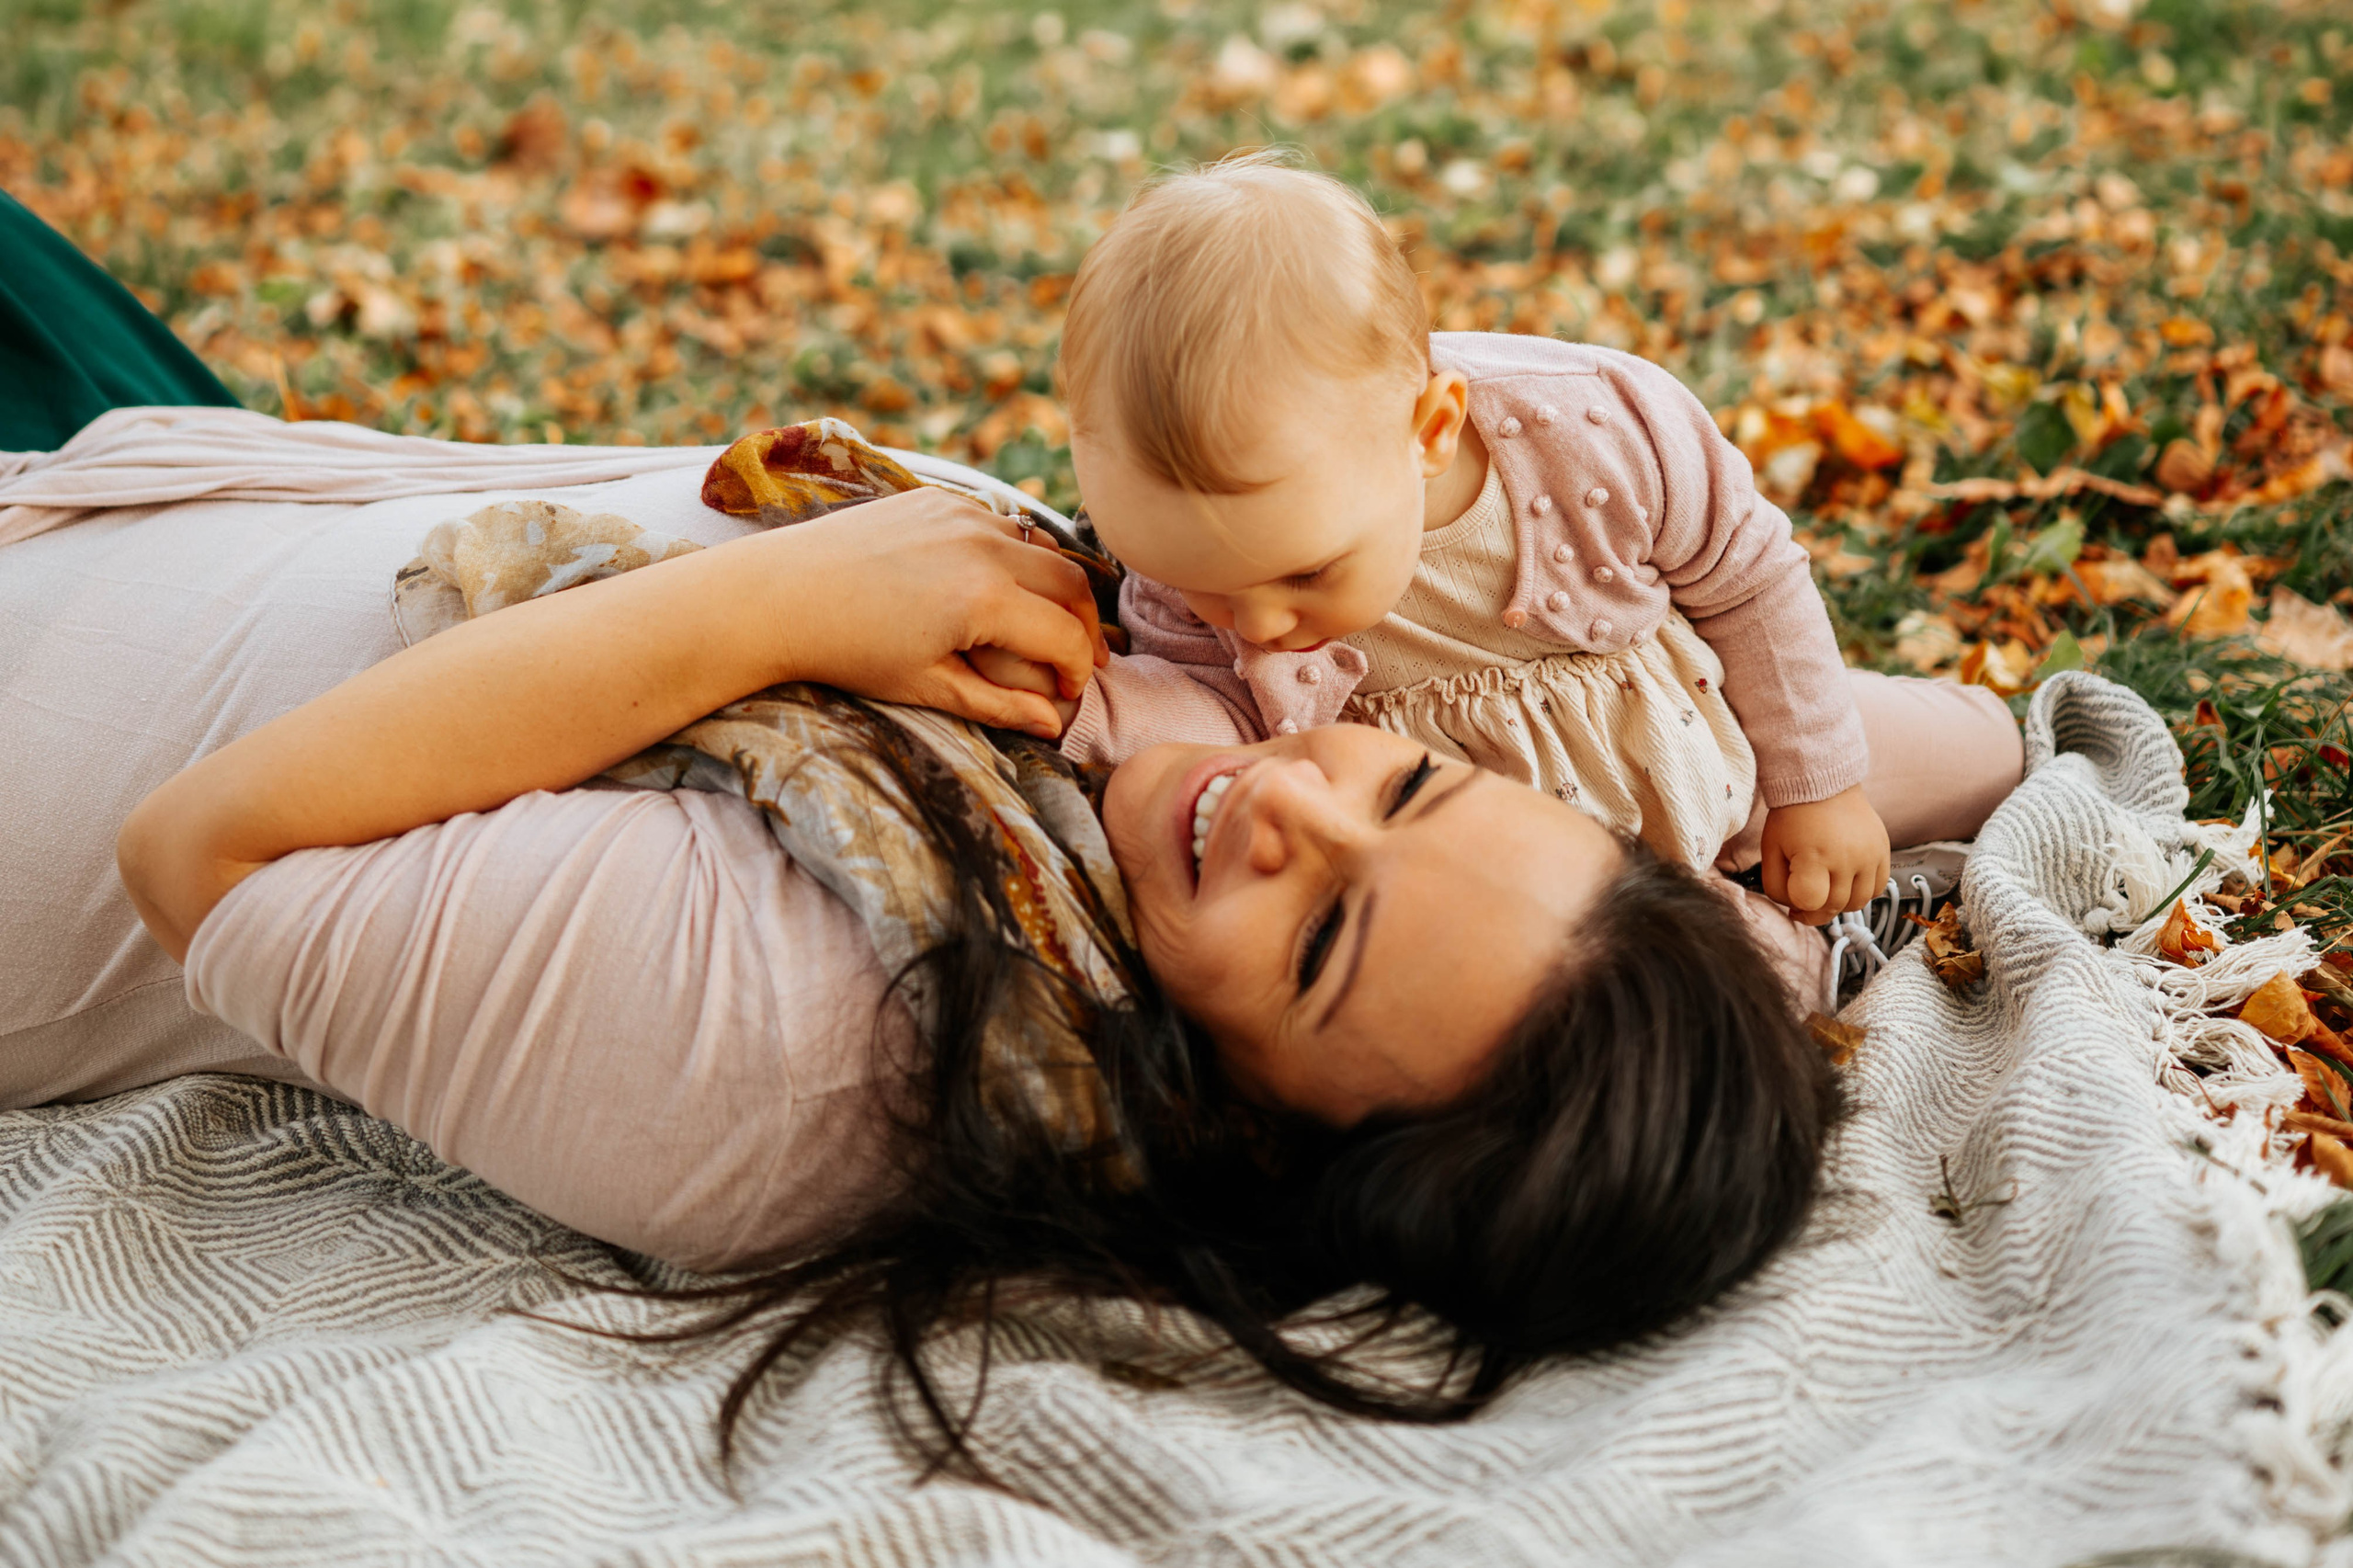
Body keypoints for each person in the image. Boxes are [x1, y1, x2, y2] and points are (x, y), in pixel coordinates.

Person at [1045, 153, 2023, 994]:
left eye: (1304, 573)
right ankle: (1852, 943)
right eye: (1198, 586)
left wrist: (1819, 784)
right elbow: (1220, 716)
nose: (1254, 625)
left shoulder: (1593, 430)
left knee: (1983, 758)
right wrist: (1085, 702)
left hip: (1706, 725)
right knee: (1741, 971)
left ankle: (1977, 755)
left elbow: (1749, 580)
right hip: (1532, 860)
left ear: (1428, 430)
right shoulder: (1198, 568)